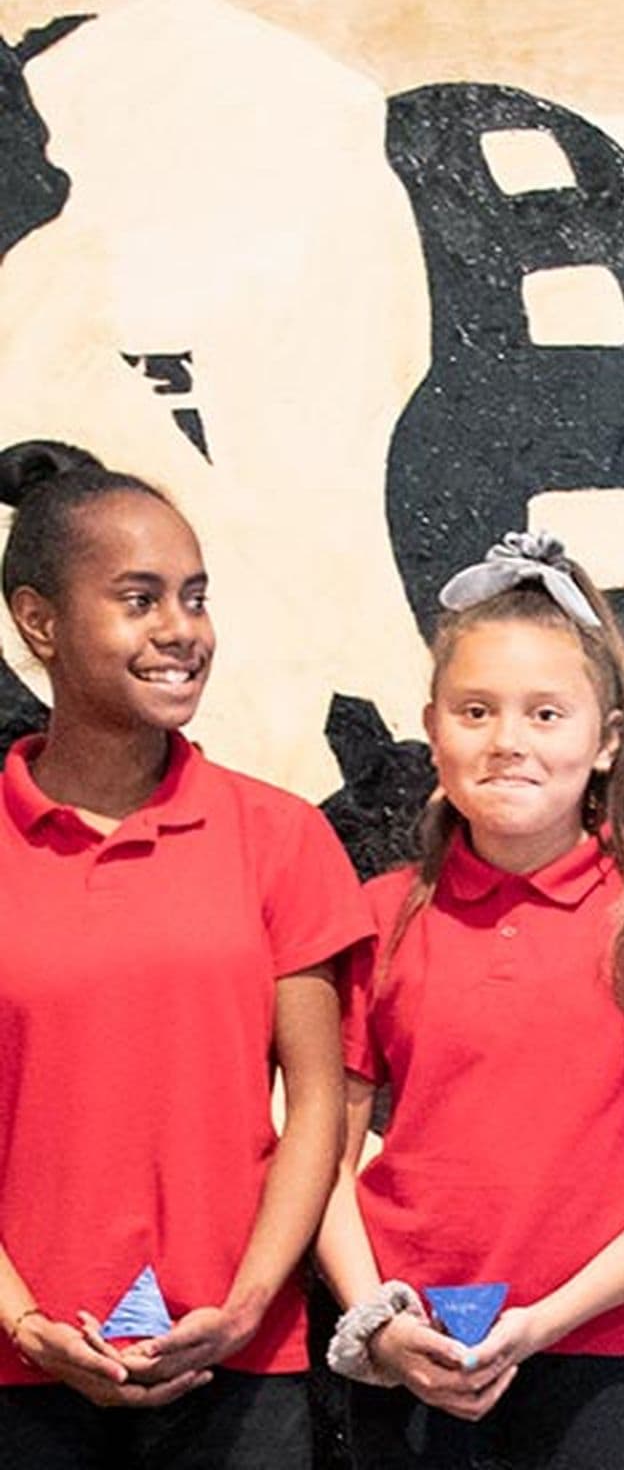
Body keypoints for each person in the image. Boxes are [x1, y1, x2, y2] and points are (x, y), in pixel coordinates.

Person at [318, 530, 624, 1470]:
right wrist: (376, 1322)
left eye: (546, 714)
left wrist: (544, 1321)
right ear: (432, 727)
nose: (508, 740)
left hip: (598, 1354)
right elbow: (322, 1149)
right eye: (476, 711)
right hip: (410, 1352)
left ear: (604, 742)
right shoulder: (379, 918)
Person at [0, 440, 365, 1468]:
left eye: (194, 598)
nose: (181, 632)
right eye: (140, 598)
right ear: (40, 621)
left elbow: (318, 1105)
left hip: (240, 1376)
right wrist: (24, 1321)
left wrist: (248, 1303)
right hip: (19, 1376)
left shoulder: (280, 836)